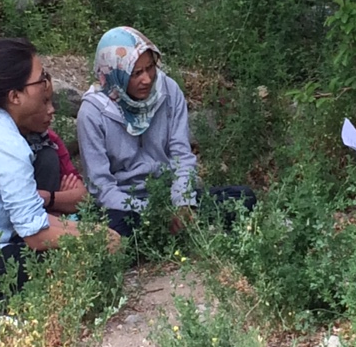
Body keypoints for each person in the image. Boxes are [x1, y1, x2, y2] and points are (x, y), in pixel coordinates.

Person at [0, 38, 120, 304]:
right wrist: (95, 238)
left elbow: (32, 219)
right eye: (40, 79)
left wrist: (91, 231)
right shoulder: (5, 144)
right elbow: (36, 236)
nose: (46, 83)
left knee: (96, 231)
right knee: (70, 256)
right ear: (15, 96)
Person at [77, 26, 256, 237]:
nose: (147, 79)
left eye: (150, 67)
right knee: (117, 231)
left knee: (243, 197)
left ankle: (178, 231)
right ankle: (176, 235)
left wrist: (182, 203)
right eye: (136, 73)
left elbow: (181, 156)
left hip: (170, 195)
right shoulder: (93, 113)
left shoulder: (168, 91)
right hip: (126, 206)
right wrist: (154, 213)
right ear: (115, 75)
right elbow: (102, 188)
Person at [24, 80, 87, 215]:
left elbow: (82, 196)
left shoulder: (50, 139)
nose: (51, 109)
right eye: (43, 102)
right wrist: (63, 200)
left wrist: (51, 198)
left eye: (51, 102)